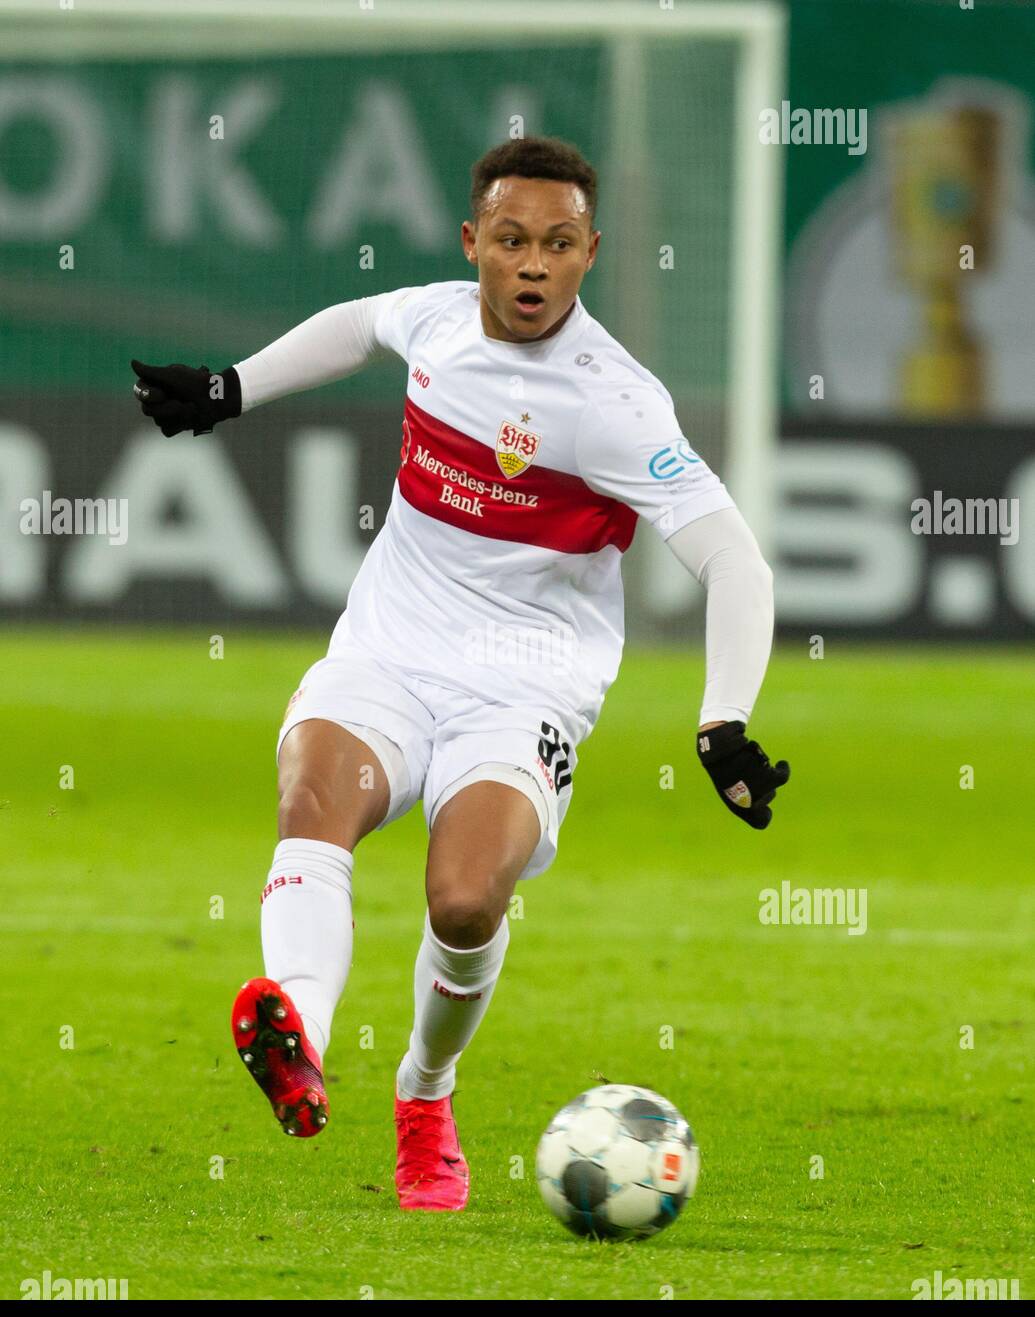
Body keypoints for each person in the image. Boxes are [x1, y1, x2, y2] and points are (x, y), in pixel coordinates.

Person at [130, 135, 789, 1213]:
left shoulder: (613, 403)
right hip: (389, 650)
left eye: (562, 245)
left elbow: (733, 559)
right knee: (312, 799)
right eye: (516, 240)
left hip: (526, 687)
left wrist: (724, 723)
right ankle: (297, 1027)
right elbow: (357, 324)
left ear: (591, 255)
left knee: (468, 895)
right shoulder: (437, 318)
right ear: (474, 241)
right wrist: (232, 388)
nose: (535, 265)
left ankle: (424, 1093)